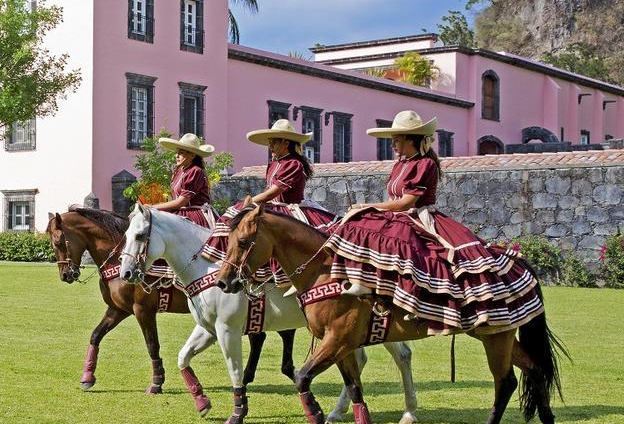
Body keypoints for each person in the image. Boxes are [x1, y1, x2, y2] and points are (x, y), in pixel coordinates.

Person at [323, 110, 541, 333]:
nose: (393, 144)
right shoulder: (400, 164)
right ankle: (367, 285)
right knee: (357, 225)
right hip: (399, 215)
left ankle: (418, 303)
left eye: (397, 139)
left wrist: (368, 206)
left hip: (419, 215)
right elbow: (394, 200)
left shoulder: (426, 164)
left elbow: (407, 202)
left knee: (413, 250)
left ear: (410, 139)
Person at [202, 119, 334, 286]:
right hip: (274, 206)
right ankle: (229, 263)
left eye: (274, 142)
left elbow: (274, 192)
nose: (270, 146)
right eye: (270, 142)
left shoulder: (294, 163)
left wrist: (249, 202)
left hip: (289, 208)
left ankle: (287, 276)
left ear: (286, 143)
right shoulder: (274, 163)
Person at [151, 133, 218, 228]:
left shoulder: (195, 171)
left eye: (181, 153)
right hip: (181, 211)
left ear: (192, 155)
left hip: (195, 214)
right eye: (177, 152)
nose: (177, 156)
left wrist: (153, 207)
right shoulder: (179, 171)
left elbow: (181, 202)